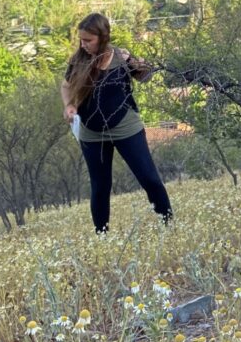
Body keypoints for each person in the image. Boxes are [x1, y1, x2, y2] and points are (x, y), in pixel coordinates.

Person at [61, 13, 172, 232]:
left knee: (149, 178)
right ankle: (102, 235)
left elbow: (146, 75)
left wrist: (132, 60)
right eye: (81, 40)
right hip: (91, 132)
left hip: (126, 127)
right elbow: (66, 86)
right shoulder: (78, 60)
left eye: (88, 40)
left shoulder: (120, 57)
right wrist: (69, 106)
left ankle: (167, 224)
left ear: (102, 37)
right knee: (100, 187)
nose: (83, 45)